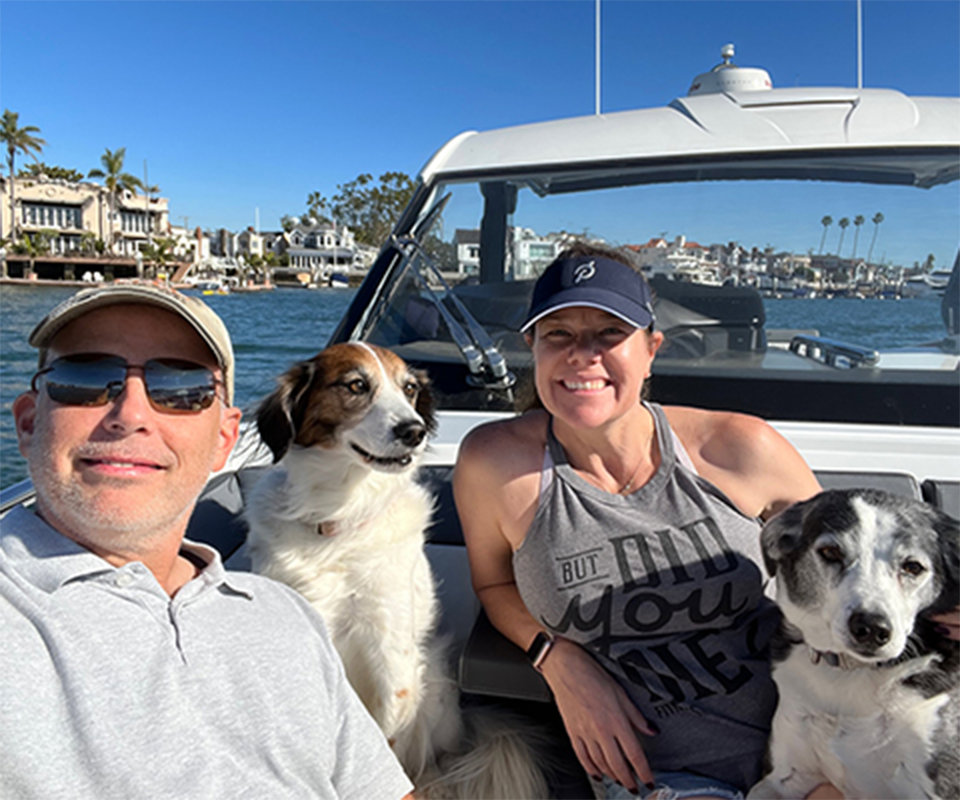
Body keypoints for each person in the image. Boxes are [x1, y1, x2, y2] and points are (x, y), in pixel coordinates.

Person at [454, 243, 960, 800]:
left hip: (826, 745)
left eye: (609, 335)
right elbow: (494, 583)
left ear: (651, 350)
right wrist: (558, 660)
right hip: (660, 775)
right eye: (559, 335)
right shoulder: (495, 466)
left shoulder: (741, 448)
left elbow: (856, 560)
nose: (582, 356)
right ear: (532, 347)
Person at [1, 284, 414, 800]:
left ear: (225, 439)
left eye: (181, 389)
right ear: (28, 420)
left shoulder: (281, 612)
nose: (130, 414)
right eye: (84, 379)